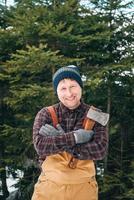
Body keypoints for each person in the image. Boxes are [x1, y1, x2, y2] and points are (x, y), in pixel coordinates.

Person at [32, 65, 108, 200]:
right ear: (57, 91)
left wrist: (58, 140)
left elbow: (100, 150)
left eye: (73, 86)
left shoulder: (96, 115)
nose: (69, 93)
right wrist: (75, 137)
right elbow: (40, 146)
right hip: (49, 190)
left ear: (80, 87)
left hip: (84, 191)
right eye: (63, 88)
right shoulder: (46, 114)